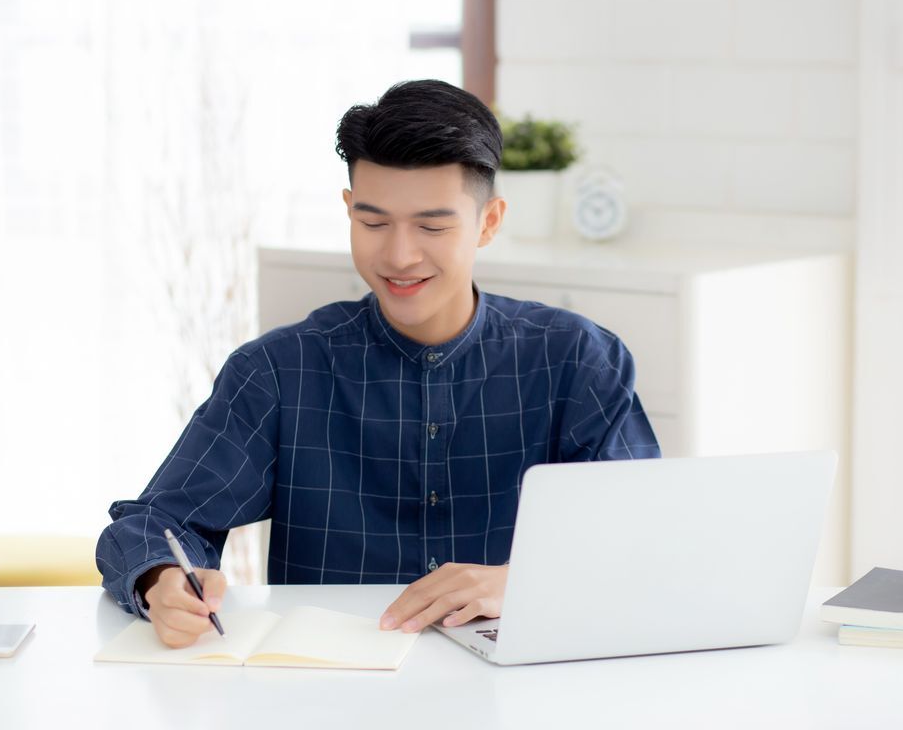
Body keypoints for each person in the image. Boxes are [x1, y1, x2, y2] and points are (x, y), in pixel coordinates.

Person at [95, 79, 660, 649]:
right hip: (333, 693)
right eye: (373, 223)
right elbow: (153, 525)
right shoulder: (279, 371)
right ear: (348, 211)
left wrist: (526, 584)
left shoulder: (578, 360)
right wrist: (161, 581)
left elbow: (644, 536)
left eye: (432, 226)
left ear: (488, 222)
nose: (398, 255)